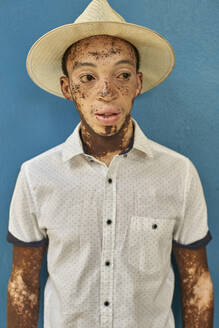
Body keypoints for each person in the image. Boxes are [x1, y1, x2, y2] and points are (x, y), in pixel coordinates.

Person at [6, 0, 214, 327]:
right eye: (87, 76)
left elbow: (197, 282)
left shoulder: (179, 174)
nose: (106, 91)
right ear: (67, 88)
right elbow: (23, 284)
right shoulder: (36, 177)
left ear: (138, 84)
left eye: (122, 75)